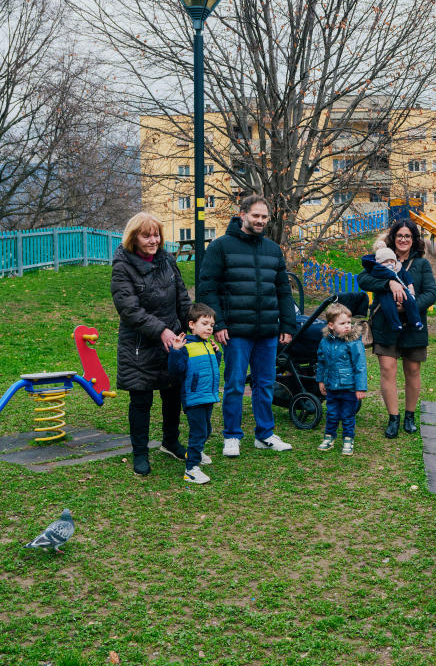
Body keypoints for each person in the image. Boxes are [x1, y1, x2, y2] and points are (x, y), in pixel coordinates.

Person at [198, 195, 297, 457]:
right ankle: (231, 436)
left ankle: (264, 434)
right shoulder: (220, 247)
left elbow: (284, 291)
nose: (261, 221)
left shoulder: (273, 250)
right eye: (256, 216)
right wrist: (217, 323)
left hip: (267, 331)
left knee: (265, 383)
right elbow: (207, 288)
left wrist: (287, 324)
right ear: (242, 215)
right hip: (235, 332)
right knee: (234, 384)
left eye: (265, 217)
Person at [111, 211, 191, 476]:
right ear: (134, 238)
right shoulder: (123, 266)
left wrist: (191, 332)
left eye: (156, 234)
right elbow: (129, 310)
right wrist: (162, 332)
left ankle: (170, 442)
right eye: (147, 235)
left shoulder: (168, 260)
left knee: (172, 394)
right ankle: (140, 453)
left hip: (171, 341)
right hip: (139, 345)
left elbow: (182, 299)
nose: (153, 240)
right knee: (141, 400)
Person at [358, 218, 436, 438]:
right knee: (387, 370)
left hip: (413, 325)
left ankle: (409, 416)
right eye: (400, 235)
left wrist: (409, 307)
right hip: (385, 323)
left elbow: (430, 293)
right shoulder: (380, 259)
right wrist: (388, 283)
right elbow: (362, 279)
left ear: (414, 240)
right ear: (394, 238)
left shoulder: (422, 264)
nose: (403, 240)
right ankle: (393, 418)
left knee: (412, 370)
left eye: (408, 236)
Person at [168, 302, 221, 484]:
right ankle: (191, 469)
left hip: (208, 395)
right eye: (204, 323)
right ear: (192, 324)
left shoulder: (207, 344)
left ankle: (195, 452)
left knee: (206, 430)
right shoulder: (185, 346)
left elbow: (213, 368)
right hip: (194, 397)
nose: (209, 328)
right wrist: (175, 352)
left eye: (212, 325)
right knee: (198, 433)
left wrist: (217, 354)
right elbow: (176, 371)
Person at [315, 303, 368, 456]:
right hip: (332, 385)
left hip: (349, 387)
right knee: (331, 413)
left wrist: (360, 388)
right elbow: (322, 362)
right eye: (342, 323)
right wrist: (321, 380)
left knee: (347, 415)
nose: (347, 326)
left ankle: (348, 439)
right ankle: (329, 437)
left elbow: (360, 366)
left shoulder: (353, 342)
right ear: (331, 325)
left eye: (349, 323)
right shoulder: (325, 342)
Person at [360, 246, 423, 332]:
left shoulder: (398, 268)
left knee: (410, 302)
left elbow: (407, 277)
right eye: (386, 261)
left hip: (403, 291)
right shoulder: (377, 270)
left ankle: (416, 320)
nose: (390, 263)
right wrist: (389, 282)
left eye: (392, 261)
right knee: (388, 307)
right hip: (385, 294)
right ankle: (395, 324)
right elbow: (364, 279)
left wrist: (410, 287)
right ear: (379, 263)